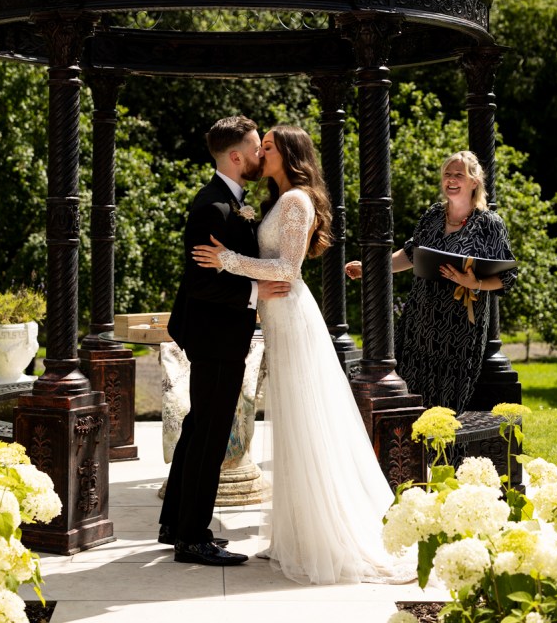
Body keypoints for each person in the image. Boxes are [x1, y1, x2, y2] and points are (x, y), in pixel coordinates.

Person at [193, 125, 414, 586]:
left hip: (292, 317)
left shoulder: (297, 201)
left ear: (287, 154)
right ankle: (297, 534)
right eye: (259, 147)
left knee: (305, 420)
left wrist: (227, 260)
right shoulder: (279, 200)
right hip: (276, 315)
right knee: (292, 423)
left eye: (268, 147)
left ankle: (324, 537)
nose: (260, 153)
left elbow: (288, 270)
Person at [161, 115, 292, 568]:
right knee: (212, 434)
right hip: (214, 334)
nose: (260, 155)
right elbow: (200, 284)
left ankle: (173, 522)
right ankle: (192, 538)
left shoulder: (230, 201)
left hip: (218, 332)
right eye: (257, 149)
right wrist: (256, 292)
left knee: (200, 425)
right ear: (236, 157)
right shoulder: (211, 207)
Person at [345, 149, 517, 414]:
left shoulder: (489, 224)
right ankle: (411, 452)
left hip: (459, 330)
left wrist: (474, 284)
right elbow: (411, 255)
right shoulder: (434, 215)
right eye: (447, 174)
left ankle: (445, 452)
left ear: (474, 181)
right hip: (419, 320)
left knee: (446, 401)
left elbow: (507, 278)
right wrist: (371, 268)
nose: (451, 179)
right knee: (411, 391)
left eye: (458, 174)